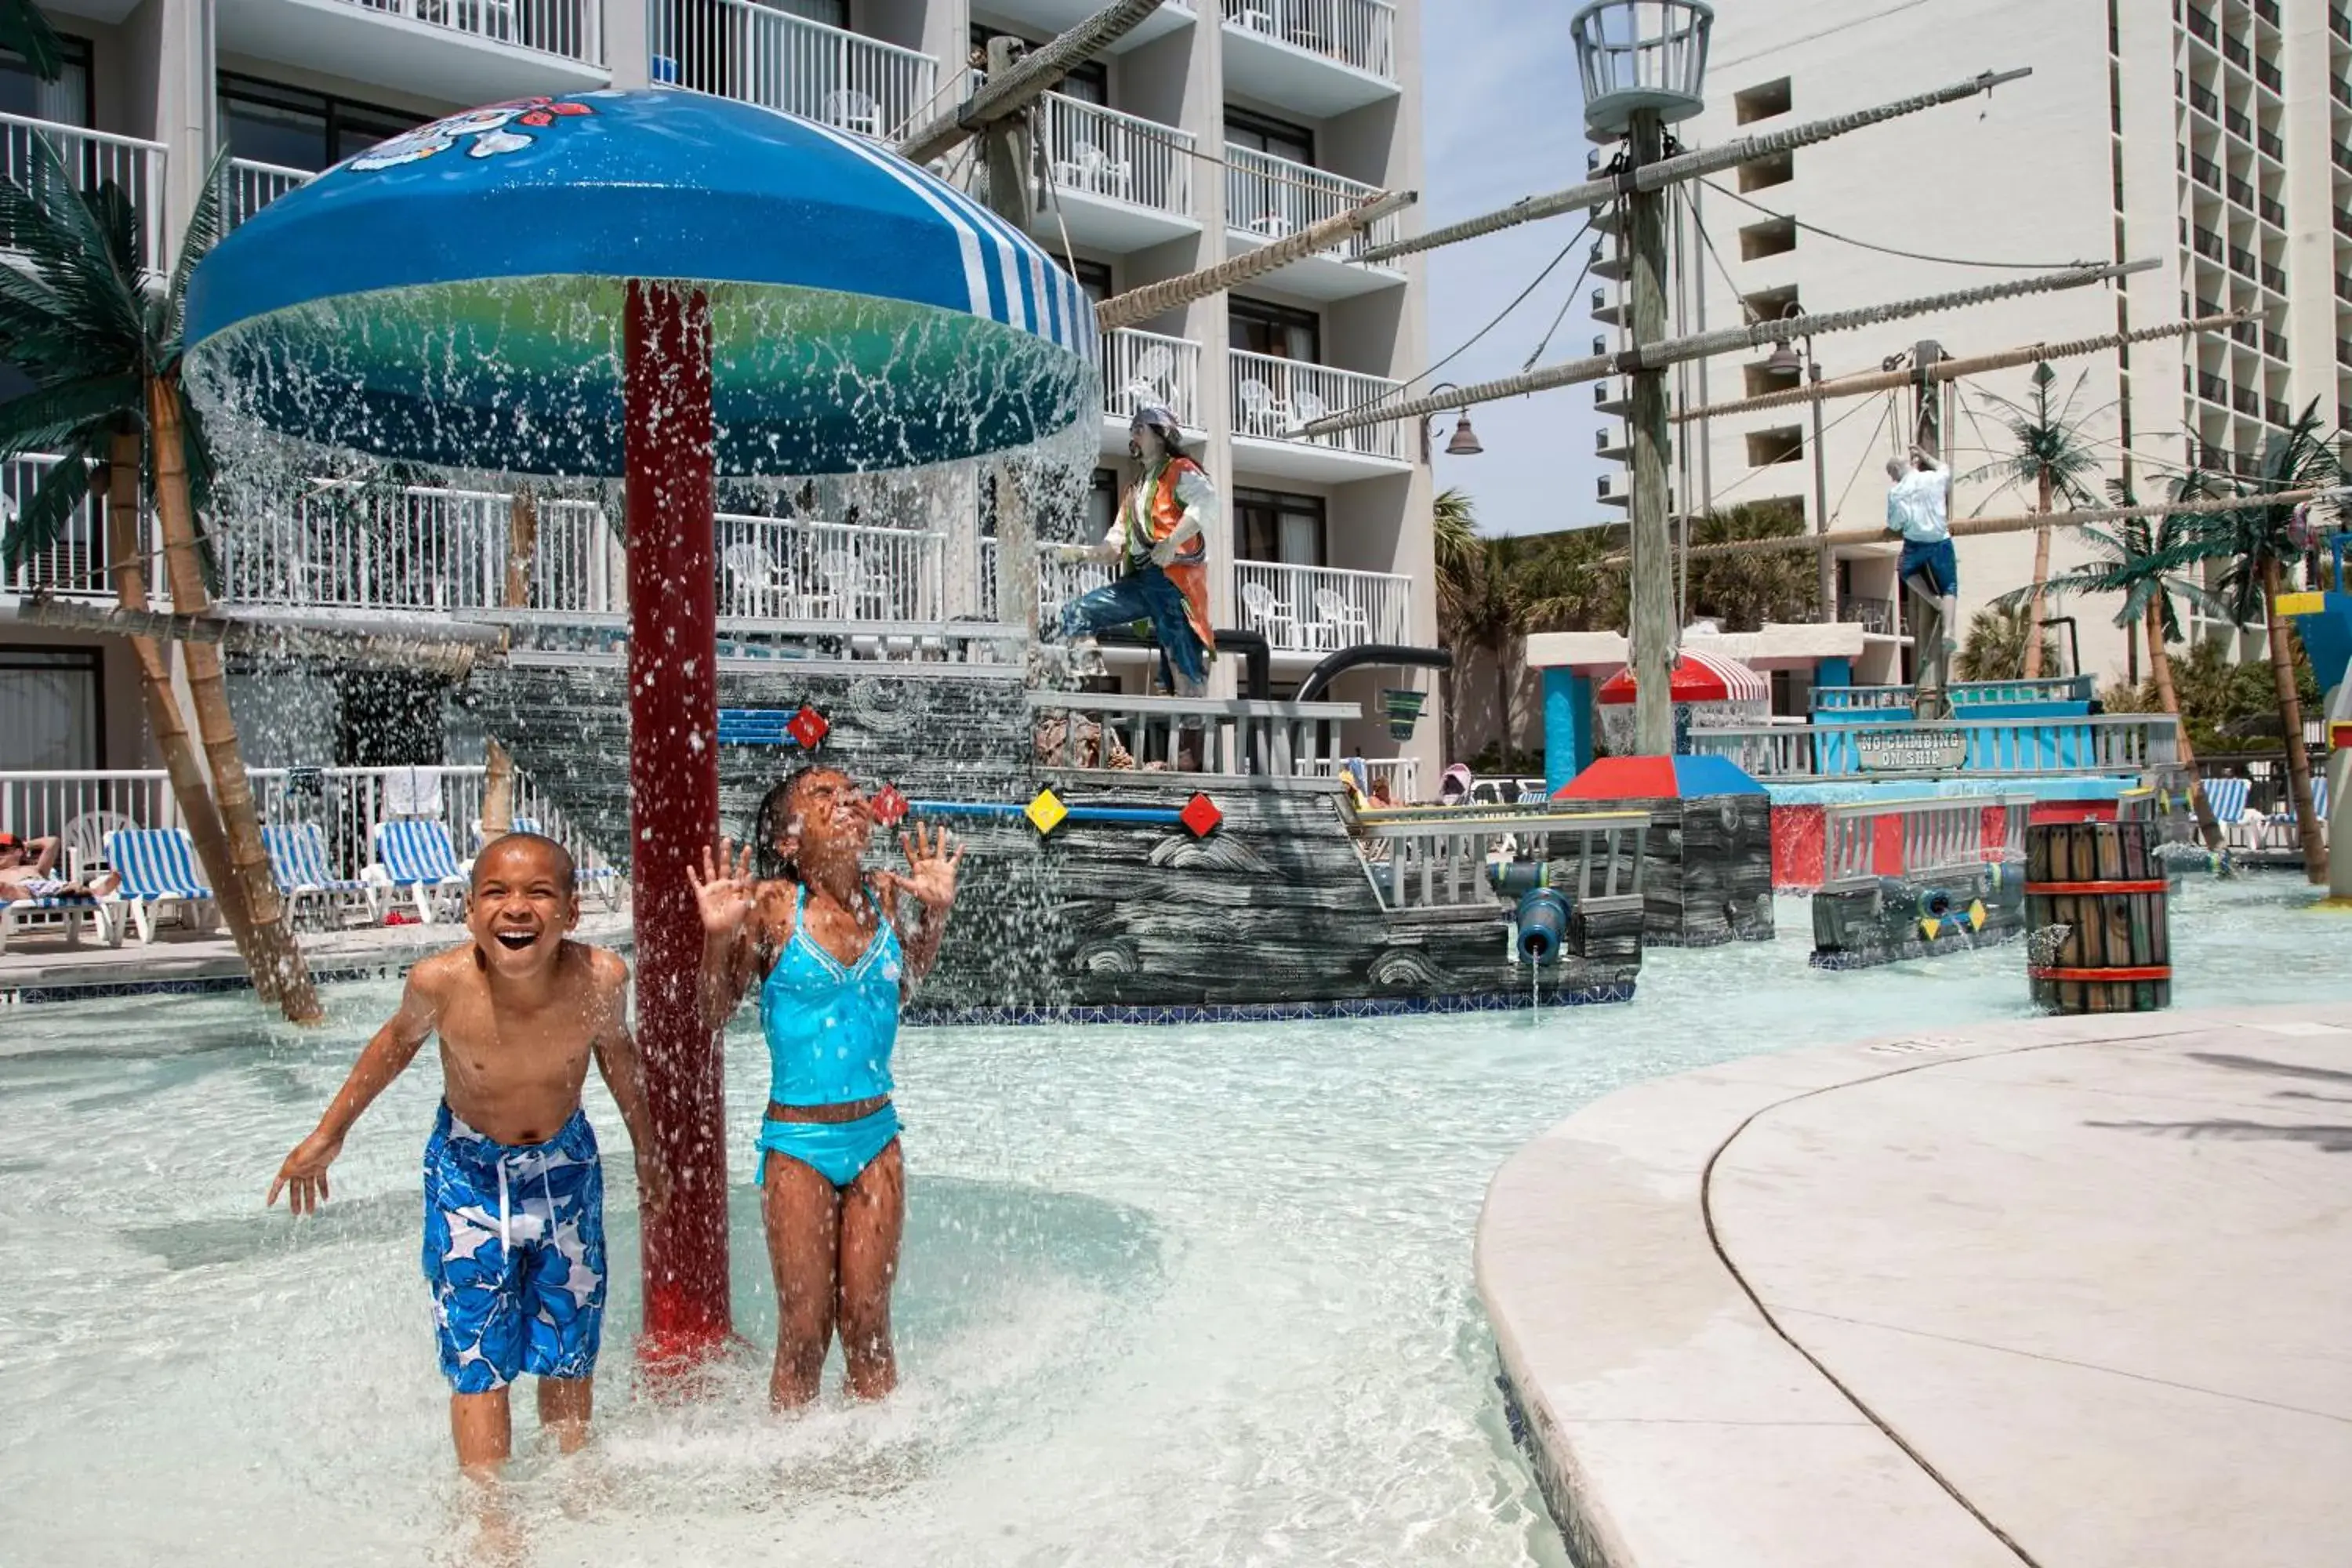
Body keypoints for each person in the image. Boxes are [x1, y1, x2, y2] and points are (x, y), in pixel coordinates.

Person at [267, 833, 666, 1494]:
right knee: (478, 1352)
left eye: (540, 894)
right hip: (469, 1177)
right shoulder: (441, 984)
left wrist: (647, 1150)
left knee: (568, 1338)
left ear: (570, 912)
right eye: (497, 894)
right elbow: (393, 1046)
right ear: (470, 913)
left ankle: (573, 1478)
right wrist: (327, 1134)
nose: (517, 909)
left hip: (565, 1169)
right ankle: (487, 1509)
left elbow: (617, 1055)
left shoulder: (600, 980)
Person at [689, 768, 963, 1409]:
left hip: (876, 1139)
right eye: (822, 797)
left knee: (869, 1331)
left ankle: (883, 1477)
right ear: (788, 841)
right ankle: (793, 1485)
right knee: (806, 1336)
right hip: (800, 1144)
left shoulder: (888, 896)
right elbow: (712, 1011)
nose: (845, 803)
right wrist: (717, 937)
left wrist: (936, 916)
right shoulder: (771, 909)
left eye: (850, 794)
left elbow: (904, 980)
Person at [1045, 404, 1217, 698]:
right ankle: (1082, 691)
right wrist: (1082, 554)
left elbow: (1207, 501)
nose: (1133, 437)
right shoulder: (1134, 490)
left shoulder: (1180, 471)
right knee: (1077, 613)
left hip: (1174, 582)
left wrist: (1172, 543)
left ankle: (1190, 715)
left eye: (1140, 430)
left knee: (1181, 665)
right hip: (1141, 582)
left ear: (1161, 436)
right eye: (1132, 431)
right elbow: (1114, 548)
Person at [1885, 443, 1958, 716]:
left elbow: (1895, 523)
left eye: (1892, 473)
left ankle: (1933, 600)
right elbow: (1946, 470)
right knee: (1951, 584)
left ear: (1895, 471)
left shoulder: (1898, 491)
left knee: (1905, 571)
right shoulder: (1932, 477)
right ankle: (1949, 629)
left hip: (1916, 543)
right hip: (1940, 540)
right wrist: (1926, 456)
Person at [0, 830, 117, 902]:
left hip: (45, 886)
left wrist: (26, 845)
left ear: (18, 852)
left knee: (72, 886)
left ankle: (98, 891)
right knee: (10, 889)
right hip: (19, 891)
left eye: (2, 849)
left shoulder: (36, 869)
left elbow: (53, 841)